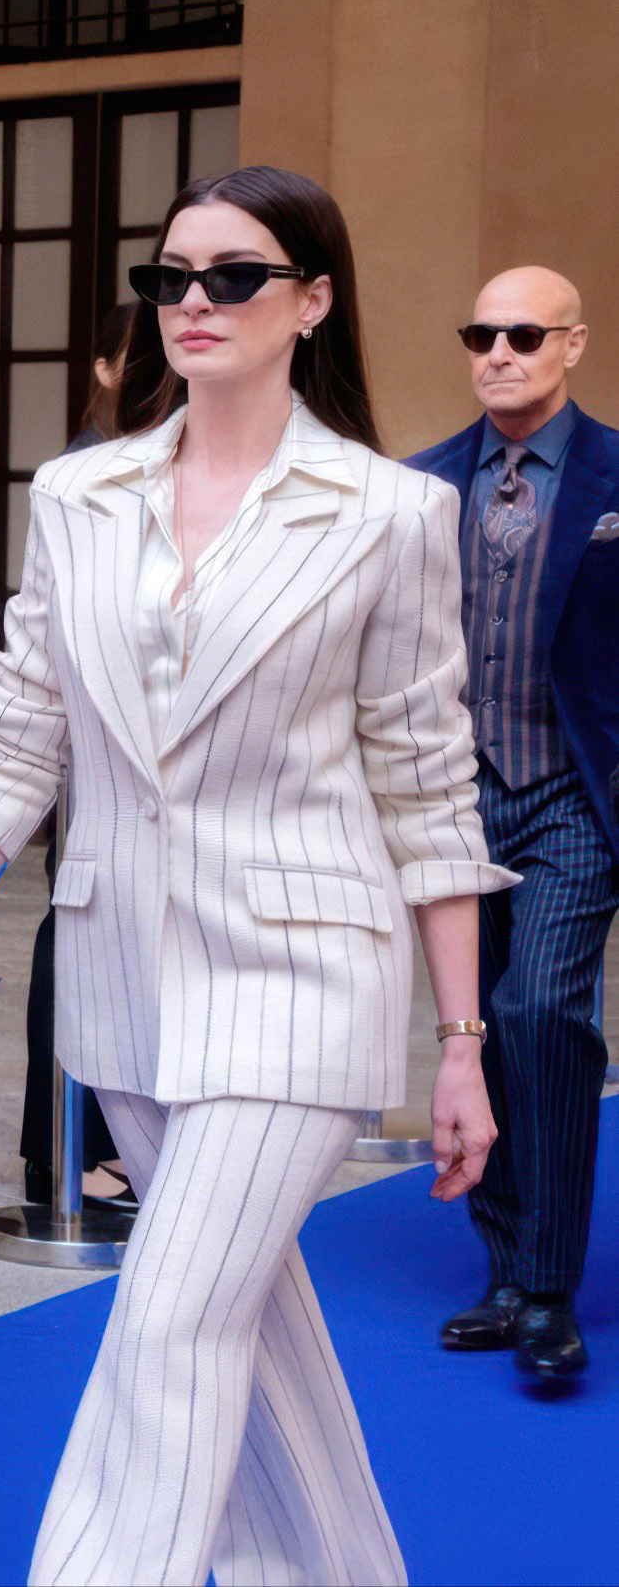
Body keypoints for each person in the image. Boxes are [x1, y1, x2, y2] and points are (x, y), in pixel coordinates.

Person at [0, 165, 506, 1587]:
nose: (194, 302)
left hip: (303, 976)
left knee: (169, 1319)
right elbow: (22, 731)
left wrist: (461, 1042)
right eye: (170, 278)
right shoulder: (78, 492)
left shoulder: (390, 512)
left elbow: (425, 784)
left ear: (312, 300)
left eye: (234, 275)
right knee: (243, 1320)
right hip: (125, 975)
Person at [408, 265, 611, 1381]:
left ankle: (547, 1288)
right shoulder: (421, 485)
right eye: (480, 333)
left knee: (542, 1009)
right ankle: (503, 1270)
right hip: (453, 797)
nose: (498, 352)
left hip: (573, 794)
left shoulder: (615, 475)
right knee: (474, 1027)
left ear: (570, 344)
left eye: (524, 334)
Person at [16, 300, 139, 1209]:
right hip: (92, 749)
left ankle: (97, 1141)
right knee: (74, 939)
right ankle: (59, 1149)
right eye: (141, 354)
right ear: (102, 368)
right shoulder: (78, 477)